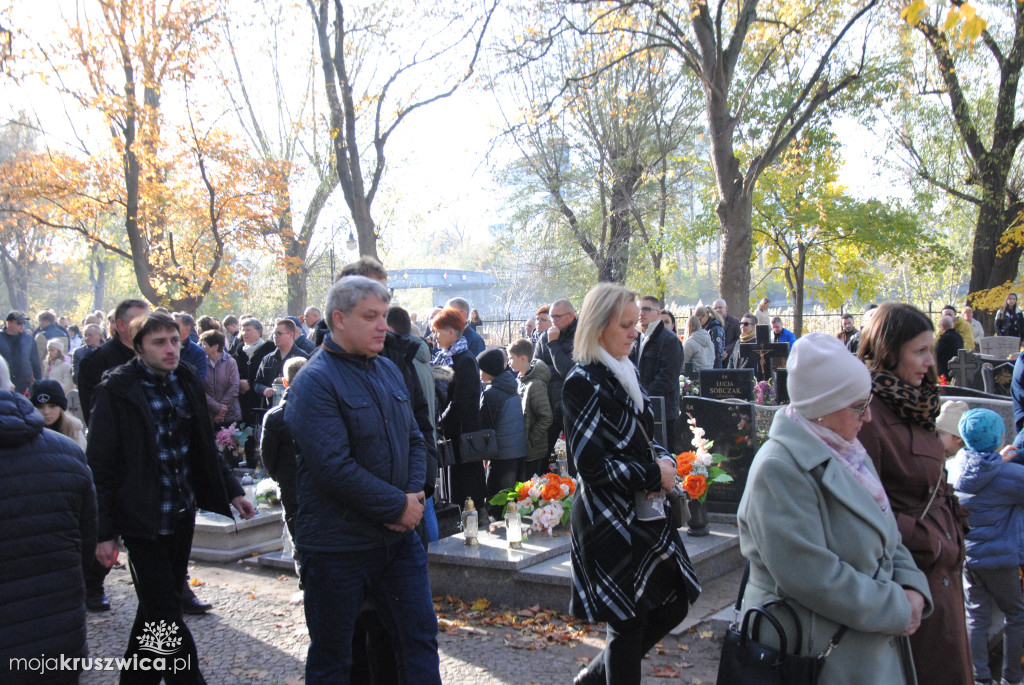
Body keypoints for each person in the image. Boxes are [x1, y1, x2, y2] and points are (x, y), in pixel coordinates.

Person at [737, 333, 932, 684]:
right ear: (822, 409)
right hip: (814, 657)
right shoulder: (778, 469)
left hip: (862, 646)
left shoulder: (848, 452)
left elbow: (887, 536)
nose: (868, 416)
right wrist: (897, 607)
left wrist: (912, 585)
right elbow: (812, 577)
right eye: (858, 405)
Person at [284, 276, 440, 685]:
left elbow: (414, 438)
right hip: (338, 547)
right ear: (339, 319)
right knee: (336, 659)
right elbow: (333, 467)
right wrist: (398, 506)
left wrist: (412, 496)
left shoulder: (387, 368)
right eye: (371, 317)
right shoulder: (314, 381)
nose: (383, 326)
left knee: (419, 641)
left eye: (384, 316)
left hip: (398, 542)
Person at [87, 311, 254, 683]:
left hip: (180, 514)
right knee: (165, 612)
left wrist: (232, 490)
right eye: (159, 342)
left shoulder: (185, 379)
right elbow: (100, 466)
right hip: (141, 520)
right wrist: (103, 532)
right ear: (138, 347)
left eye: (174, 341)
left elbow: (203, 445)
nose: (170, 349)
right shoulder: (117, 390)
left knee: (154, 611)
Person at [563, 283, 700, 685]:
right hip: (608, 520)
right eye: (625, 325)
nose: (634, 332)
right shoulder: (581, 381)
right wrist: (653, 474)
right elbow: (590, 467)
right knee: (627, 623)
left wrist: (665, 460)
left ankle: (592, 679)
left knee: (673, 603)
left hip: (643, 512)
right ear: (598, 327)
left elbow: (642, 438)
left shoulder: (626, 368)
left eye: (635, 322)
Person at [856, 301, 972, 685]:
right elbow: (861, 506)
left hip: (942, 569)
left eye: (931, 350)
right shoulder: (868, 414)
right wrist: (928, 540)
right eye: (919, 351)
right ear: (889, 352)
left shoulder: (917, 402)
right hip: (911, 578)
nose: (930, 362)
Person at [0, 358, 97, 685]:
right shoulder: (68, 453)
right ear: (10, 387)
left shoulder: (70, 446)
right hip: (57, 632)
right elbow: (86, 540)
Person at [76, 298, 150, 613]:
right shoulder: (98, 360)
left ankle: (176, 585)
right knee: (107, 521)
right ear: (120, 325)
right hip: (115, 452)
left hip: (150, 452)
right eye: (139, 320)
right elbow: (93, 410)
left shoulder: (151, 354)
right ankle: (93, 584)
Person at [950, 408, 1024, 685]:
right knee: (1016, 615)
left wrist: (996, 461)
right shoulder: (1011, 476)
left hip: (969, 557)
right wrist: (1002, 463)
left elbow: (981, 471)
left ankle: (979, 678)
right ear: (1001, 437)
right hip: (1001, 559)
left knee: (976, 616)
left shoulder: (955, 467)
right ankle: (1011, 678)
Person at [432, 306, 486, 517]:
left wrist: (440, 422)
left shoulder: (464, 360)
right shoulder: (446, 357)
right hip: (453, 431)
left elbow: (460, 402)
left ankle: (475, 519)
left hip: (464, 434)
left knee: (466, 485)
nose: (434, 337)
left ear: (451, 332)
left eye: (437, 331)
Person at [260, 356, 306, 601]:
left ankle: (306, 586)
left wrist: (279, 478)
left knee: (298, 538)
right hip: (315, 487)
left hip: (291, 487)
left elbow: (267, 457)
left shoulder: (275, 416)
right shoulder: (323, 408)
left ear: (285, 382)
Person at [629, 295, 683, 451]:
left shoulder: (670, 340)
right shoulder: (637, 338)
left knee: (665, 455)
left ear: (658, 313)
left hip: (663, 412)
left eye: (646, 309)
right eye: (639, 309)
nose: (641, 313)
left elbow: (666, 379)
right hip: (641, 410)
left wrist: (642, 397)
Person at [478, 348, 527, 517]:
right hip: (517, 449)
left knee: (497, 499)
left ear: (490, 370)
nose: (480, 373)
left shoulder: (491, 393)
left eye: (482, 369)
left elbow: (484, 424)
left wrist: (484, 453)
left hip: (501, 453)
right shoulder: (510, 386)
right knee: (513, 497)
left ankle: (498, 526)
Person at [534, 298, 579, 471]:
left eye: (557, 317)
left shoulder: (580, 335)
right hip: (549, 404)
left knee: (575, 458)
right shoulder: (544, 336)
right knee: (540, 457)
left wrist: (553, 344)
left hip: (572, 404)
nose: (553, 321)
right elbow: (536, 370)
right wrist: (556, 371)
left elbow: (570, 371)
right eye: (551, 317)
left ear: (571, 316)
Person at [232, 317, 275, 467]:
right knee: (246, 429)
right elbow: (232, 372)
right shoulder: (239, 351)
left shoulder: (268, 350)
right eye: (242, 330)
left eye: (248, 330)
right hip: (243, 398)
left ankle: (263, 463)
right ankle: (249, 459)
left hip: (261, 398)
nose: (244, 333)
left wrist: (254, 384)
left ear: (259, 331)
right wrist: (239, 381)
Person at [507, 338, 553, 480]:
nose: (509, 362)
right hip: (522, 447)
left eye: (511, 358)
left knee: (530, 486)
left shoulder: (535, 385)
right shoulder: (520, 380)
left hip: (532, 451)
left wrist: (531, 438)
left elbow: (546, 416)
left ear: (523, 358)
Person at [255, 318, 309, 403]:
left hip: (293, 405)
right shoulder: (268, 358)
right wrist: (264, 389)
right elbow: (257, 383)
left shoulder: (303, 358)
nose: (275, 336)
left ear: (291, 334)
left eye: (279, 333)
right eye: (273, 333)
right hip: (271, 407)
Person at [200, 329, 241, 429]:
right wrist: (216, 407)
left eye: (204, 344)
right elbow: (199, 388)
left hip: (230, 414)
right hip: (208, 414)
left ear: (215, 346)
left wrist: (221, 410)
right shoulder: (201, 362)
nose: (202, 347)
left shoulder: (230, 362)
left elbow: (234, 386)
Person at [29, 379, 87, 450]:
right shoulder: (27, 431)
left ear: (61, 408)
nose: (46, 412)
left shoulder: (74, 431)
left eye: (52, 406)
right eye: (40, 407)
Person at [0, 310, 42, 394]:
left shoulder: (29, 339)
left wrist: (38, 383)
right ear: (8, 323)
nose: (22, 325)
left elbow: (36, 363)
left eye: (24, 322)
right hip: (3, 384)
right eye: (19, 323)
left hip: (24, 384)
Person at [173, 313, 208, 381]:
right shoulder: (166, 348)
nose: (171, 328)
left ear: (187, 329)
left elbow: (198, 381)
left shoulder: (197, 353)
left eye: (175, 326)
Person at [934, 315, 964, 379]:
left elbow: (936, 353)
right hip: (957, 369)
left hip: (945, 371)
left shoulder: (944, 338)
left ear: (942, 327)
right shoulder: (959, 336)